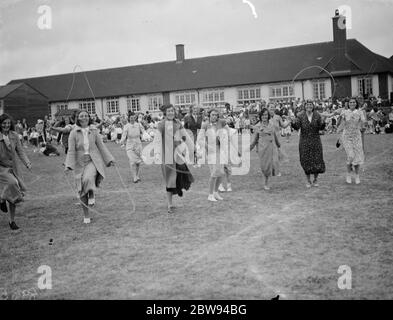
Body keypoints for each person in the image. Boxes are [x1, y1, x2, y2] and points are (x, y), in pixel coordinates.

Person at [65, 110, 115, 224]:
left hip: (92, 160)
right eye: (82, 116)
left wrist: (109, 159)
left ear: (89, 118)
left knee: (88, 178)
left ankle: (92, 193)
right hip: (79, 162)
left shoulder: (94, 130)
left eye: (86, 116)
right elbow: (71, 150)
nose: (84, 118)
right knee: (81, 189)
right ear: (78, 118)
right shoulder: (73, 132)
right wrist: (68, 165)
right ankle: (86, 215)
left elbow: (101, 146)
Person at [154, 104, 194, 213]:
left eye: (172, 110)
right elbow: (157, 141)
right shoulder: (161, 125)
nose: (171, 112)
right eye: (169, 111)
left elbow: (186, 136)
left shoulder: (178, 123)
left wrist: (193, 148)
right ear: (165, 113)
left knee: (183, 170)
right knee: (169, 180)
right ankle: (170, 204)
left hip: (177, 154)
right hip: (166, 156)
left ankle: (179, 187)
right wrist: (157, 155)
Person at [0, 114, 32, 230]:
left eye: (8, 123)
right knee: (12, 183)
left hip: (13, 168)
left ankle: (11, 221)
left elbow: (20, 151)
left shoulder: (14, 135)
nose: (6, 125)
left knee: (13, 191)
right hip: (1, 168)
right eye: (4, 123)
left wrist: (27, 162)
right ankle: (2, 199)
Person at [291, 100, 327, 187]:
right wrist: (293, 123)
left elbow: (321, 127)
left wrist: (323, 122)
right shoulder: (300, 115)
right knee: (306, 160)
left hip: (315, 140)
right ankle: (308, 180)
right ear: (305, 106)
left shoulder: (317, 115)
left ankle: (315, 180)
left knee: (317, 159)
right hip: (304, 141)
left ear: (313, 106)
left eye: (311, 104)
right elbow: (297, 126)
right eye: (307, 105)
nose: (309, 106)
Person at [197, 109, 227, 202]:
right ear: (209, 115)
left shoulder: (219, 124)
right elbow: (200, 139)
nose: (214, 116)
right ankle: (210, 195)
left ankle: (215, 192)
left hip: (220, 150)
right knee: (214, 173)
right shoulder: (205, 125)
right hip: (211, 152)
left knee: (221, 172)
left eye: (216, 115)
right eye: (213, 115)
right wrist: (208, 147)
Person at [250, 108, 280, 190]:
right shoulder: (257, 127)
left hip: (271, 147)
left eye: (266, 115)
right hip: (262, 149)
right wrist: (249, 148)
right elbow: (255, 140)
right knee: (264, 166)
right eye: (263, 115)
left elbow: (274, 136)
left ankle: (266, 182)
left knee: (272, 164)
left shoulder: (271, 124)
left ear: (268, 115)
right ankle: (266, 180)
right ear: (260, 116)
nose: (264, 116)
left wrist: (278, 145)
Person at [340, 98, 366, 184]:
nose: (352, 103)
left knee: (357, 158)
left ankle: (357, 176)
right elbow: (342, 124)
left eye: (353, 102)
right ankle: (348, 174)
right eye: (350, 102)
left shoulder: (360, 112)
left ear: (356, 103)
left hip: (356, 136)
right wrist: (341, 119)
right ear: (348, 104)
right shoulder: (344, 112)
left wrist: (363, 126)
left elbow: (363, 122)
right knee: (350, 156)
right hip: (347, 136)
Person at [120, 112, 144, 183]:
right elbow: (124, 135)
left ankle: (137, 175)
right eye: (131, 118)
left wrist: (148, 136)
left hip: (138, 144)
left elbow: (143, 131)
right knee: (132, 161)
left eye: (133, 117)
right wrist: (121, 141)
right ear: (129, 118)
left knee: (138, 162)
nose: (132, 119)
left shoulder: (138, 124)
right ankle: (134, 177)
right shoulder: (126, 126)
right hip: (130, 144)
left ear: (135, 118)